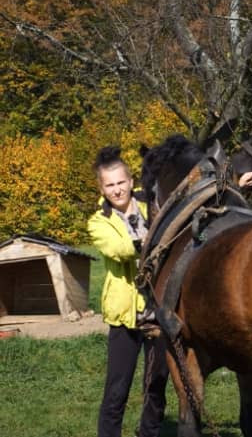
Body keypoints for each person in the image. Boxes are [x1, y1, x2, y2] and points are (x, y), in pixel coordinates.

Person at [88, 146, 169, 437]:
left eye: (121, 182)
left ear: (131, 180)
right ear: (102, 187)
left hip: (158, 311)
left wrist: (236, 182)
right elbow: (119, 249)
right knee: (117, 390)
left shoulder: (154, 204)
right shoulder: (99, 221)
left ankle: (150, 433)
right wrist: (154, 238)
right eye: (109, 185)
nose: (117, 189)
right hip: (125, 316)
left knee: (156, 387)